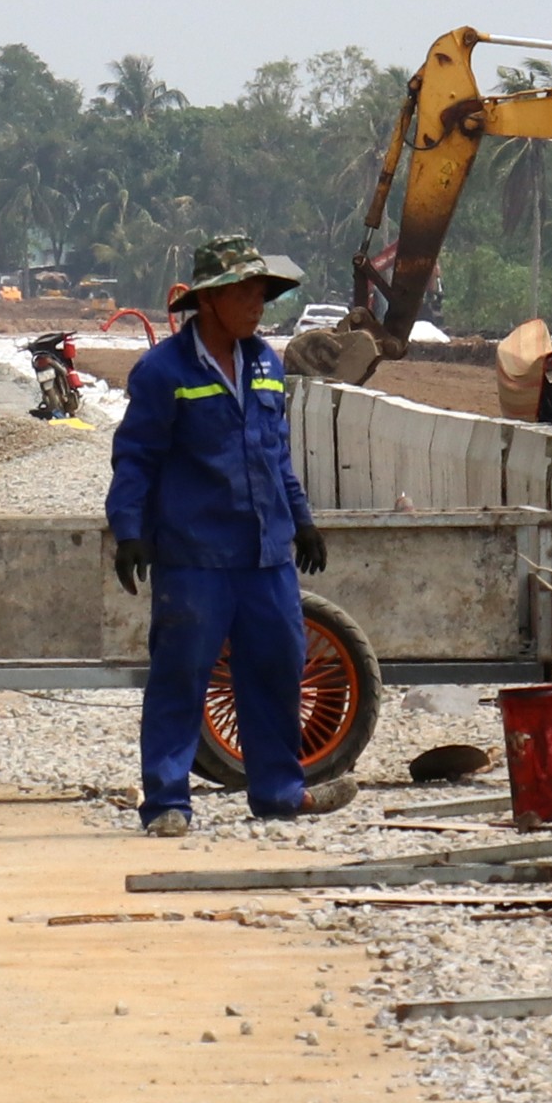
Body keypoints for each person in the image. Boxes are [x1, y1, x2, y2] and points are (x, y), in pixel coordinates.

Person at [108, 235, 344, 838]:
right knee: (181, 675)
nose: (257, 302)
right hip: (195, 557)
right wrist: (129, 530)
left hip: (265, 555)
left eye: (261, 291)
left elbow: (277, 457)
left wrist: (303, 520)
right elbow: (135, 456)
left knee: (276, 669)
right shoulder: (164, 372)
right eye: (244, 291)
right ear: (209, 300)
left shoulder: (266, 362)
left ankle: (278, 792)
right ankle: (166, 801)